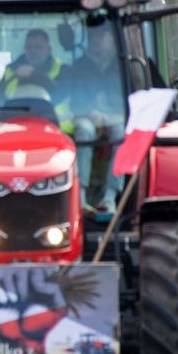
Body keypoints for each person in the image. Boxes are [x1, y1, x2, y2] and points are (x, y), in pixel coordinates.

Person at [67, 25, 125, 214]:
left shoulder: (122, 63)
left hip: (116, 116)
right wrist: (91, 111)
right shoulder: (80, 65)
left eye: (102, 34)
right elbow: (74, 98)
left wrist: (110, 114)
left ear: (111, 38)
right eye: (93, 35)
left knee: (121, 133)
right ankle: (81, 195)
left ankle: (110, 196)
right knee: (85, 131)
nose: (97, 40)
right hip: (86, 115)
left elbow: (129, 96)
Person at [0, 29, 63, 107]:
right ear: (24, 49)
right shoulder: (11, 70)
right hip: (14, 118)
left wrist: (35, 74)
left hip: (53, 119)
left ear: (49, 50)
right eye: (29, 47)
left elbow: (61, 94)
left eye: (39, 47)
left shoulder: (63, 70)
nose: (33, 51)